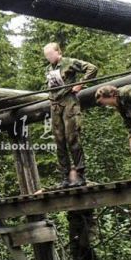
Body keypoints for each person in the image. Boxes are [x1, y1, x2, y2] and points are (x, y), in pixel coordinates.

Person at [43, 43, 98, 188]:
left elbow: (92, 68)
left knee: (72, 137)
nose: (48, 57)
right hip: (55, 105)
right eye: (46, 55)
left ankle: (80, 175)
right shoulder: (48, 69)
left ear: (58, 52)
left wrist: (80, 84)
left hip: (69, 102)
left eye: (50, 54)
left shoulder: (69, 62)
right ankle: (65, 177)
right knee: (59, 141)